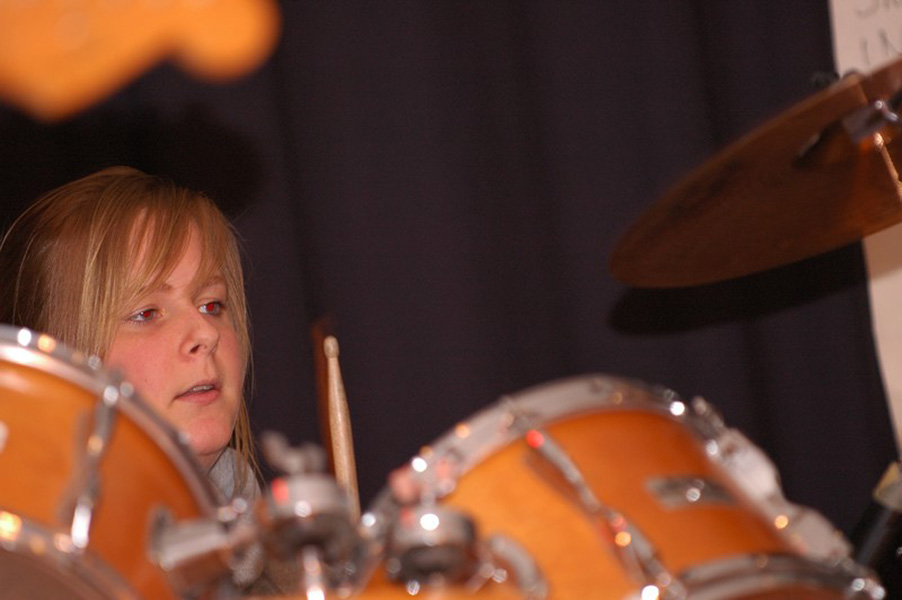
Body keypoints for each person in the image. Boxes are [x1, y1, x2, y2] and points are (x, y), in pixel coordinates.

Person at [0, 166, 294, 595]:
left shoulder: (294, 569)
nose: (206, 333)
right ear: (58, 360)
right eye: (147, 314)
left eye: (212, 305)